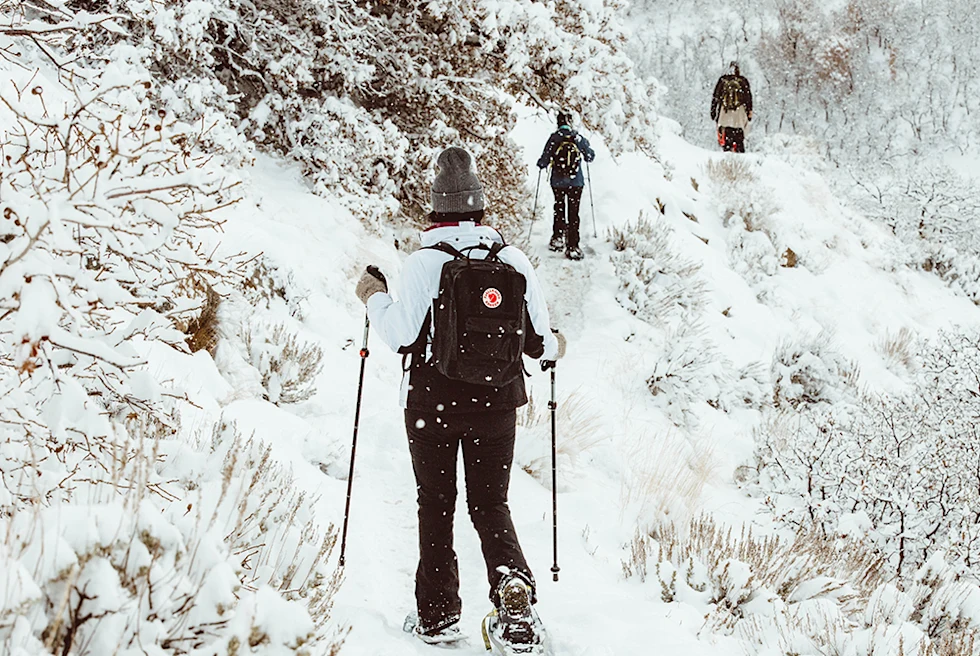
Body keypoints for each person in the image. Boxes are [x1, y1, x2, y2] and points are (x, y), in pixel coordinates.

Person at [355, 146, 565, 649]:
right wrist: (559, 344)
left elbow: (402, 337)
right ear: (479, 206)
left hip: (432, 405)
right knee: (491, 503)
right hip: (497, 405)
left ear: (435, 208)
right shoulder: (512, 260)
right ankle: (513, 590)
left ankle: (438, 615)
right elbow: (541, 343)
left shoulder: (423, 263)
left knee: (437, 503)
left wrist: (373, 295)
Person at [536, 111, 595, 261]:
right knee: (574, 212)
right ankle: (573, 245)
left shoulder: (555, 137)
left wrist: (541, 163)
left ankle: (557, 238)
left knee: (559, 208)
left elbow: (544, 159)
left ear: (558, 122)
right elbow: (590, 156)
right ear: (570, 122)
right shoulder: (577, 137)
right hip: (576, 183)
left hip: (558, 182)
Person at [710, 62, 753, 153]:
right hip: (739, 114)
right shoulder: (743, 81)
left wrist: (713, 112)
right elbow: (748, 98)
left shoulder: (723, 80)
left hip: (725, 113)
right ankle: (740, 157)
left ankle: (728, 157)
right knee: (739, 138)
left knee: (727, 138)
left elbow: (716, 96)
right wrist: (749, 112)